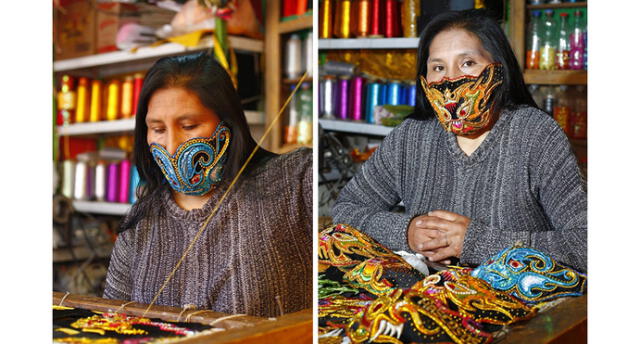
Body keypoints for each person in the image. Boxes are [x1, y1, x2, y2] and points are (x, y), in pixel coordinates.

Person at [332, 10, 587, 272]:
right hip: (426, 300)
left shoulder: (537, 135)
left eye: (467, 63)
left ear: (499, 68)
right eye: (438, 67)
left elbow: (586, 244)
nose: (450, 80)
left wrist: (475, 242)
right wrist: (407, 231)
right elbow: (346, 211)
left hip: (523, 303)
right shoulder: (410, 137)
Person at [103, 53, 313, 317]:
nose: (172, 145)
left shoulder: (295, 178)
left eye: (189, 126)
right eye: (157, 129)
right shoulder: (141, 223)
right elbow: (111, 320)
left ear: (227, 123)